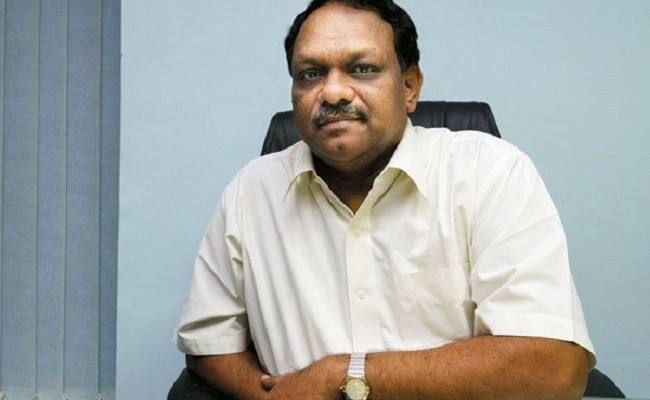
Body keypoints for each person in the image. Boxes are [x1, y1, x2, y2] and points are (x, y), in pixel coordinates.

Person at [171, 1, 596, 399]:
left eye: (362, 69)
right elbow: (209, 344)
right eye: (311, 74)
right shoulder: (252, 190)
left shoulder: (491, 172)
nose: (333, 93)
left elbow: (554, 367)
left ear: (409, 87)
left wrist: (343, 375)